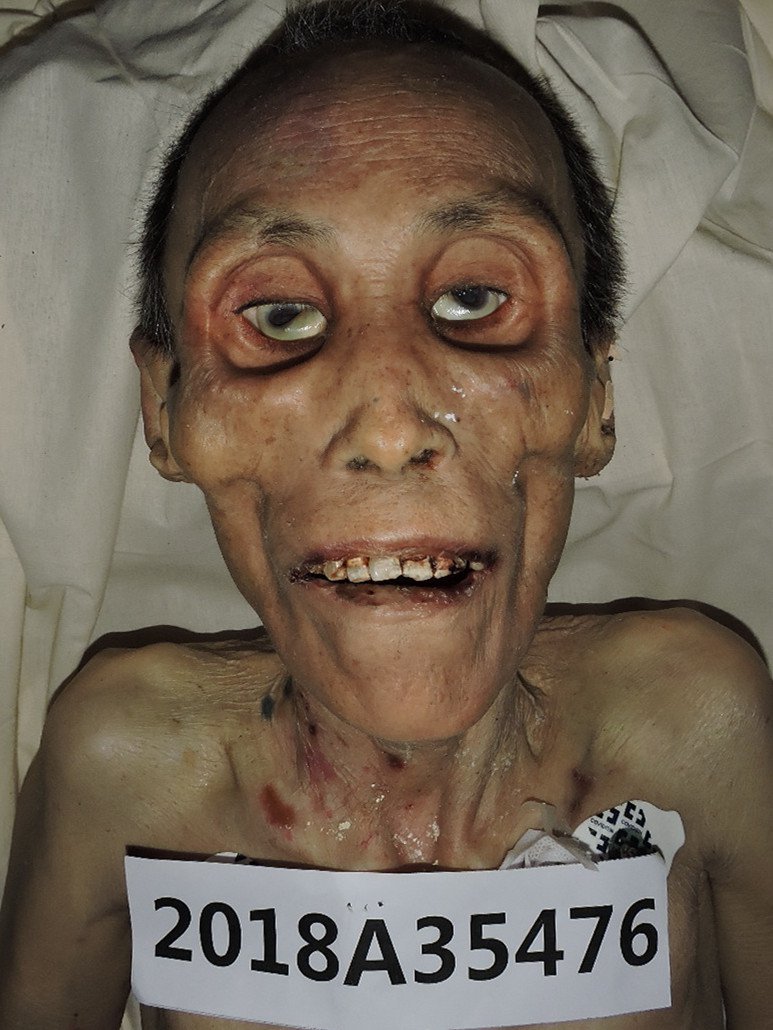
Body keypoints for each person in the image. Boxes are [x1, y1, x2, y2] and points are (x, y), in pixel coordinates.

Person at [1, 1, 771, 1027]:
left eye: (474, 300)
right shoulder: (122, 770)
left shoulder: (695, 728)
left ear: (593, 396)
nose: (391, 426)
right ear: (165, 412)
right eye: (278, 315)